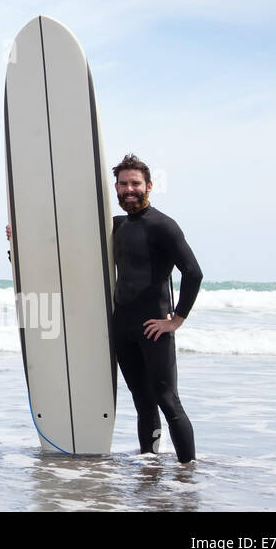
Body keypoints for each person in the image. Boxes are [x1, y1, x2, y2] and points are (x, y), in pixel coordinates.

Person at [111, 153, 201, 463]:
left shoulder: (163, 226)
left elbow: (193, 272)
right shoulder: (115, 226)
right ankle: (149, 469)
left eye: (135, 183)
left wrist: (175, 320)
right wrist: (19, 241)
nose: (129, 189)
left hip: (153, 327)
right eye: (122, 184)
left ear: (149, 186)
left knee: (167, 400)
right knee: (142, 402)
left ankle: (188, 474)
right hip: (122, 327)